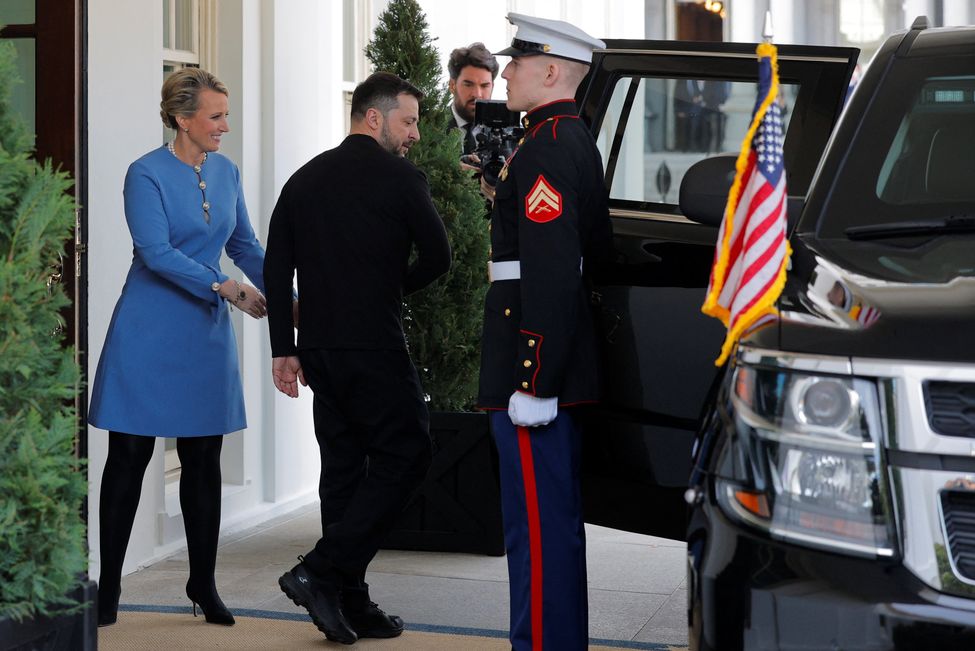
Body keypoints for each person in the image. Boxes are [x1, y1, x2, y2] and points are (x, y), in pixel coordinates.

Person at [264, 71, 451, 645]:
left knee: (343, 471)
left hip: (319, 349)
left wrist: (283, 348)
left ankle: (348, 600)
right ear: (375, 117)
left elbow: (276, 267)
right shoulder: (401, 179)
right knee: (409, 454)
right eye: (409, 121)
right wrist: (388, 291)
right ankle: (321, 571)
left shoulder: (304, 178)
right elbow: (439, 257)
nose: (415, 133)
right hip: (374, 344)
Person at [88, 68, 270, 628]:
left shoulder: (226, 172)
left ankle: (203, 583)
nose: (225, 126)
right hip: (148, 330)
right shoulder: (144, 173)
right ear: (181, 118)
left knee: (203, 460)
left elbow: (245, 244)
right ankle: (109, 588)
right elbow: (156, 252)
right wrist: (226, 286)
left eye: (226, 114)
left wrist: (291, 296)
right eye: (215, 116)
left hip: (204, 334)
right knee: (129, 458)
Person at [478, 13, 612, 651]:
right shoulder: (557, 137)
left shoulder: (549, 145)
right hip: (543, 356)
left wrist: (534, 379)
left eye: (518, 62)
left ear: (552, 70)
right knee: (542, 525)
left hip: (533, 366)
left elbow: (553, 274)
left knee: (538, 528)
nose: (506, 72)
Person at [447, 42, 499, 156]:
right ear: (452, 85)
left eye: (484, 86)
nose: (477, 94)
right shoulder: (428, 127)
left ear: (492, 87)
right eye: (468, 84)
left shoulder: (509, 134)